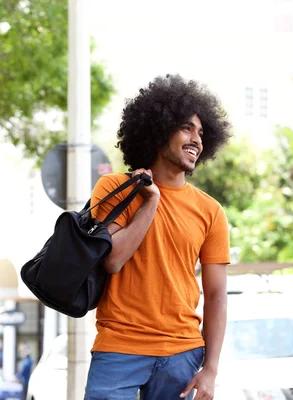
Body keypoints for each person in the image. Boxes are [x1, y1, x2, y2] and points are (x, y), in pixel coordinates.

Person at [83, 74, 232, 400]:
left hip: (182, 354)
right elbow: (113, 260)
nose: (196, 139)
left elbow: (217, 294)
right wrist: (150, 202)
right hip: (119, 348)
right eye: (186, 128)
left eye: (201, 132)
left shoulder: (211, 211)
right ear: (158, 130)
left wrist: (210, 370)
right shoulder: (114, 189)